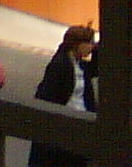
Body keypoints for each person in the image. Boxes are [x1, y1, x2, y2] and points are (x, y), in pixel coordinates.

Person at [29, 24, 99, 166]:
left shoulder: (80, 65)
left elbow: (97, 67)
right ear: (77, 44)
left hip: (81, 118)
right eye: (89, 43)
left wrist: (97, 49)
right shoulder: (60, 64)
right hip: (66, 121)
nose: (91, 47)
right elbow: (48, 96)